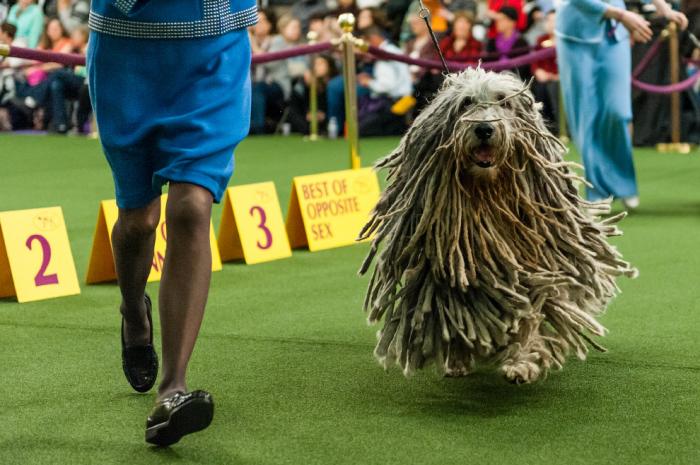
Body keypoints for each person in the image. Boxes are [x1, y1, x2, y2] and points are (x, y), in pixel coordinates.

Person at [86, 0, 257, 446]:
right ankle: (132, 312)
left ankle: (173, 388)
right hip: (127, 48)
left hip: (214, 47)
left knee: (192, 207)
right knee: (138, 220)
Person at [555, 0, 688, 207]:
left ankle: (623, 184)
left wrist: (664, 8)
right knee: (586, 117)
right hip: (576, 35)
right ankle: (597, 192)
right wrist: (621, 15)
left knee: (618, 112)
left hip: (615, 34)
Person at [357, 25, 413, 136]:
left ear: (373, 39)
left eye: (363, 44)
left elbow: (387, 85)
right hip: (402, 103)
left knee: (362, 131)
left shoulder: (384, 55)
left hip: (393, 106)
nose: (362, 49)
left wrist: (368, 82)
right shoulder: (392, 50)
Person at [530, 10, 558, 133]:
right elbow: (535, 61)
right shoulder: (541, 39)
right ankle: (543, 126)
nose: (551, 24)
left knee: (554, 87)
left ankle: (559, 126)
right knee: (539, 88)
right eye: (549, 20)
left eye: (555, 21)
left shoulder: (566, 41)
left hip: (560, 80)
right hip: (543, 79)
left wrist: (557, 76)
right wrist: (538, 71)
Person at [485, 6, 531, 80]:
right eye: (497, 19)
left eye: (502, 19)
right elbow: (487, 64)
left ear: (512, 22)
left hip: (515, 82)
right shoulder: (492, 42)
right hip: (493, 81)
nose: (497, 22)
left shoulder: (522, 43)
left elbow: (523, 68)